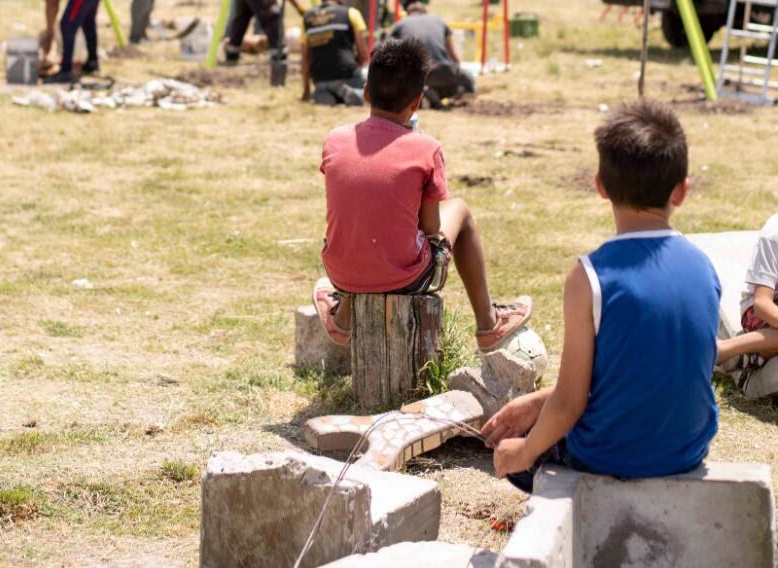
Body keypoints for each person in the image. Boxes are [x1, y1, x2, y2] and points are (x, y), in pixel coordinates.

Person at [482, 100, 720, 493]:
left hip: (608, 457)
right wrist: (539, 401)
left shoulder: (589, 276)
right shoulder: (704, 267)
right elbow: (651, 371)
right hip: (687, 451)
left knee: (522, 458)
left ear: (600, 185)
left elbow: (570, 405)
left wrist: (522, 452)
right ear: (682, 191)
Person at [313, 37, 531, 351]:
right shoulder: (426, 148)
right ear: (417, 102)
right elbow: (430, 230)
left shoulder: (335, 139)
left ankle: (342, 317)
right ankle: (488, 323)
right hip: (405, 279)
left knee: (361, 224)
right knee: (461, 211)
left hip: (340, 273)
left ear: (365, 93)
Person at [716, 214, 778, 394]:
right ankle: (724, 350)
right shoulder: (773, 235)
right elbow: (762, 304)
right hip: (760, 309)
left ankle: (759, 354)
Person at [390, 2, 474, 107]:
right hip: (441, 70)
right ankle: (437, 94)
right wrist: (457, 68)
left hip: (415, 75)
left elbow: (390, 54)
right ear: (425, 12)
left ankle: (424, 92)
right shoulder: (438, 20)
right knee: (469, 80)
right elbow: (451, 52)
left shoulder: (400, 24)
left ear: (408, 14)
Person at [301, 0, 367, 106]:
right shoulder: (351, 13)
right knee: (369, 76)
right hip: (347, 73)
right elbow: (363, 51)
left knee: (324, 93)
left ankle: (324, 94)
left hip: (320, 78)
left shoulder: (307, 18)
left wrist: (306, 90)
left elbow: (305, 58)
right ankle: (349, 91)